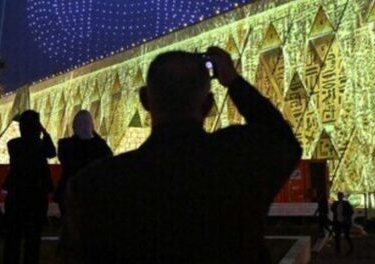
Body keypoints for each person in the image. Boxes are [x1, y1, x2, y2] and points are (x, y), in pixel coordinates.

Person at [59, 47, 302, 263]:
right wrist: (232, 80)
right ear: (208, 106)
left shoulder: (92, 186)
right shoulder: (236, 161)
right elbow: (282, 140)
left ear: (145, 100)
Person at [2, 110, 56, 264]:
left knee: (13, 238)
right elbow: (52, 153)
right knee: (33, 241)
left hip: (16, 196)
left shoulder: (13, 144)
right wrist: (44, 132)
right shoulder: (40, 146)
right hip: (36, 197)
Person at [55, 110, 112, 215]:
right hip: (89, 193)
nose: (85, 127)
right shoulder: (99, 146)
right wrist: (93, 134)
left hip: (72, 192)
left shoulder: (65, 145)